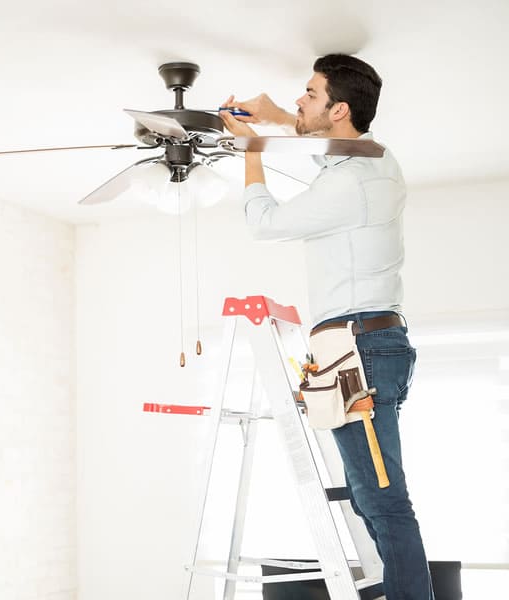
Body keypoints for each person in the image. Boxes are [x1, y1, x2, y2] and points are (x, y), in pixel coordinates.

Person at [220, 54, 435, 600]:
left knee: (383, 498)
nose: (299, 99)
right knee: (371, 496)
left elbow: (263, 223)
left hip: (357, 347)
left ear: (339, 108)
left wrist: (252, 151)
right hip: (362, 344)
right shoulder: (373, 162)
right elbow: (328, 148)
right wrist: (273, 118)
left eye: (310, 94)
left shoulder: (349, 185)